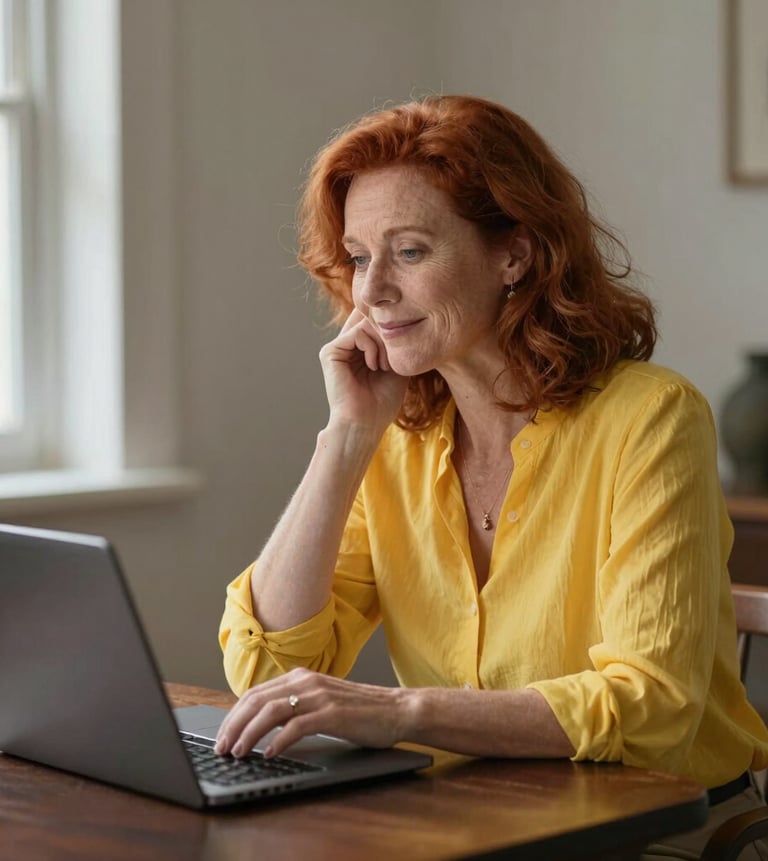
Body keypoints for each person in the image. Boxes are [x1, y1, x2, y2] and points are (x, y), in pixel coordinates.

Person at [216, 95, 768, 859]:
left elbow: (652, 706)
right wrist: (346, 437)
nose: (372, 293)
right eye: (358, 256)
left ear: (515, 253)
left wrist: (402, 711)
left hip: (662, 830)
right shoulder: (394, 436)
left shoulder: (654, 418)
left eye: (409, 252)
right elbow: (267, 669)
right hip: (472, 823)